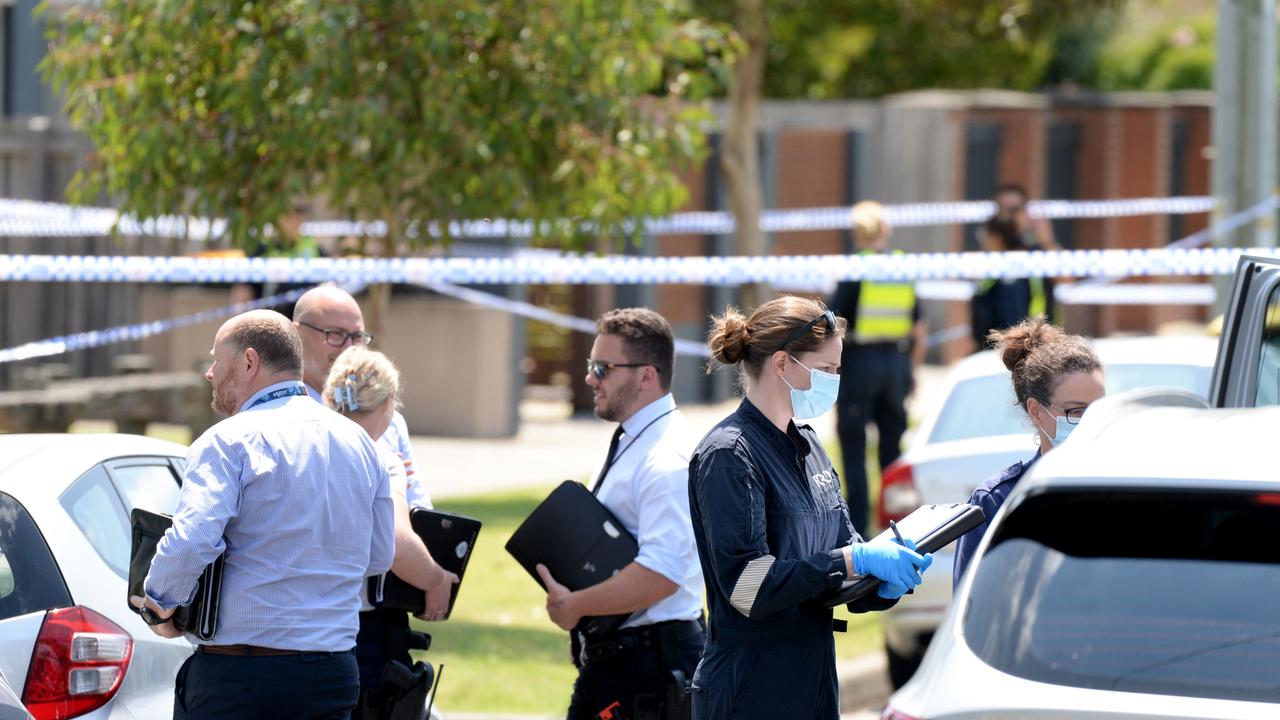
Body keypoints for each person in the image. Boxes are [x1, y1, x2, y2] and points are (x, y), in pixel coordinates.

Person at [131, 310, 395, 719]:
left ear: (250, 362)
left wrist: (159, 603)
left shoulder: (228, 440)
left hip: (242, 677)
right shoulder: (360, 443)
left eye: (217, 360)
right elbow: (379, 556)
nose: (210, 373)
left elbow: (194, 538)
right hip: (333, 673)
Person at [688, 296, 933, 719]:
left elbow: (841, 552)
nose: (836, 381)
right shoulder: (729, 454)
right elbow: (747, 588)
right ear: (782, 364)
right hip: (751, 688)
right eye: (826, 370)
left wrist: (879, 584)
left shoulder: (808, 443)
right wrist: (852, 560)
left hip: (812, 679)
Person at [535, 308, 705, 720]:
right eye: (592, 366)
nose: (590, 378)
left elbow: (662, 574)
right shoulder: (638, 438)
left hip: (650, 667)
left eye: (602, 368)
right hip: (626, 662)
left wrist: (576, 605)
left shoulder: (665, 458)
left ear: (646, 376)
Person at [323, 346, 459, 718]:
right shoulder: (381, 458)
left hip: (296, 630)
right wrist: (436, 579)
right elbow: (397, 543)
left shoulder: (301, 450)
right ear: (386, 406)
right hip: (362, 632)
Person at [952, 317, 1104, 588]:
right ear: (1036, 411)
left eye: (1100, 409)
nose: (1091, 420)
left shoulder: (1126, 489)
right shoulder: (996, 502)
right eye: (1076, 411)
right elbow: (972, 610)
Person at [830, 200, 926, 534]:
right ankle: (897, 526)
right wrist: (911, 370)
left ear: (856, 232)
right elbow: (918, 327)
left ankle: (857, 528)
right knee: (892, 451)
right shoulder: (901, 267)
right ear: (885, 231)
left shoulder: (854, 269)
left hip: (860, 363)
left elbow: (833, 323)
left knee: (854, 448)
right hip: (895, 363)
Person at [292, 285, 432, 509]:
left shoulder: (390, 420)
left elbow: (419, 507)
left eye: (357, 336)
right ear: (296, 334)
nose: (348, 348)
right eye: (335, 334)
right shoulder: (284, 417)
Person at [970, 216, 1044, 350]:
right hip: (998, 347)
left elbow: (1012, 321)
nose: (983, 242)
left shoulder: (1012, 271)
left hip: (1008, 349)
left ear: (997, 238)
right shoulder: (998, 268)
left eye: (985, 236)